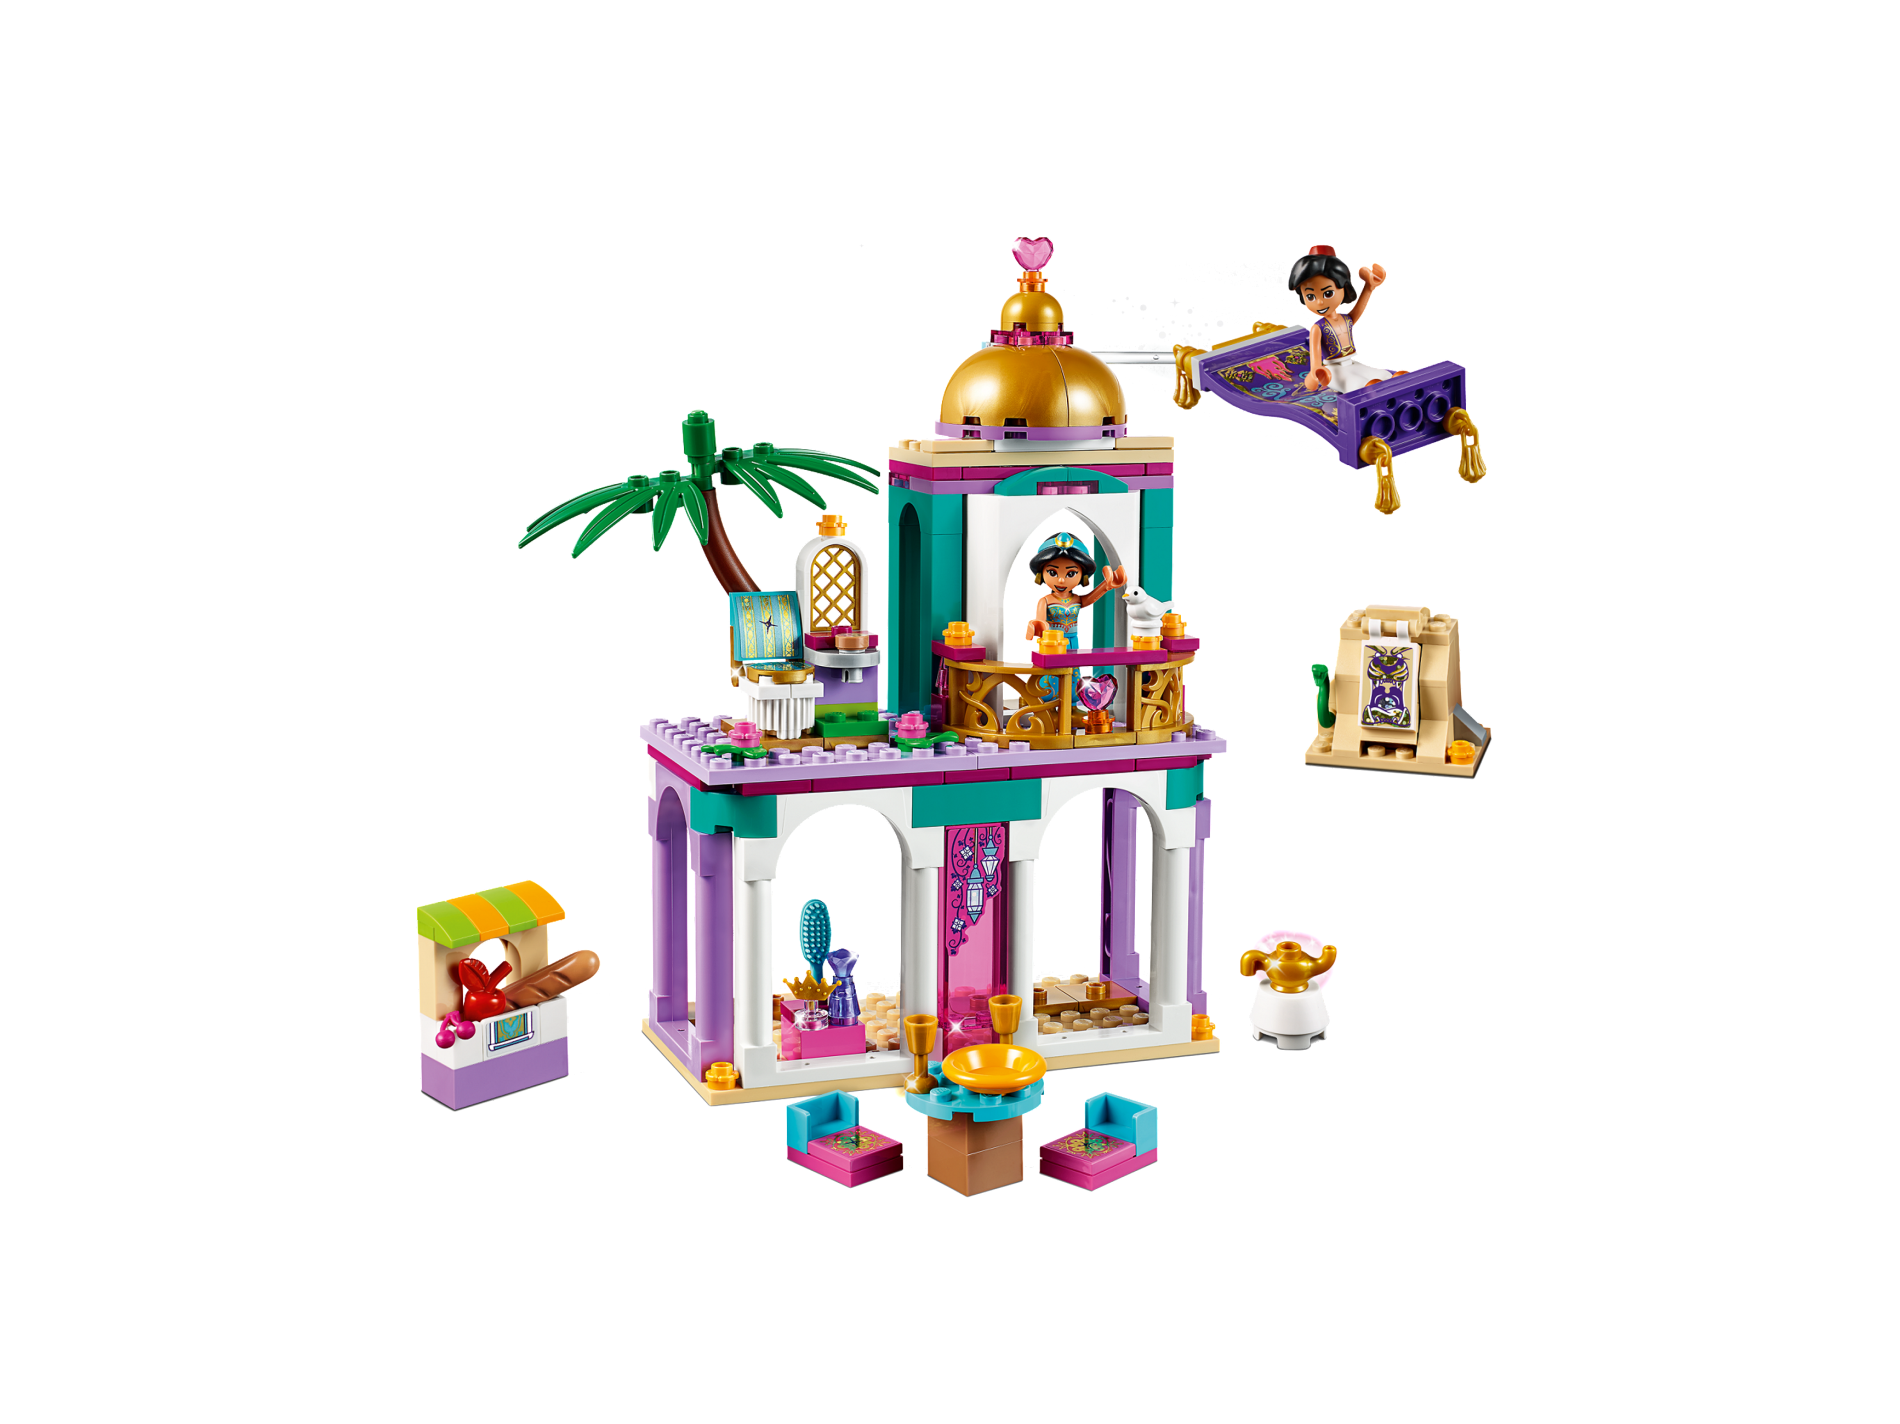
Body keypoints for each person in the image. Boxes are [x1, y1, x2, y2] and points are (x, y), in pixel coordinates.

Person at [1287, 245, 1398, 394]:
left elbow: (1359, 308)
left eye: (1328, 293)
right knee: (1357, 384)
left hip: (1351, 363)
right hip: (1332, 371)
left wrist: (1369, 287)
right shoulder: (1317, 328)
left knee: (1384, 375)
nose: (1319, 302)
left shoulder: (1346, 320)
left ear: (1344, 288)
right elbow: (1315, 360)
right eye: (1310, 296)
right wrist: (1315, 373)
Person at [1023, 532, 1125, 645]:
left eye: (1071, 574)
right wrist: (1037, 626)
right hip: (1054, 642)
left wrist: (1106, 585)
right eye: (1052, 572)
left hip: (1073, 640)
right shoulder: (1045, 601)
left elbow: (1091, 597)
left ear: (1083, 576)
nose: (1061, 580)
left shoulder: (1076, 599)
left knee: (1074, 657)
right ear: (1041, 574)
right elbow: (1040, 621)